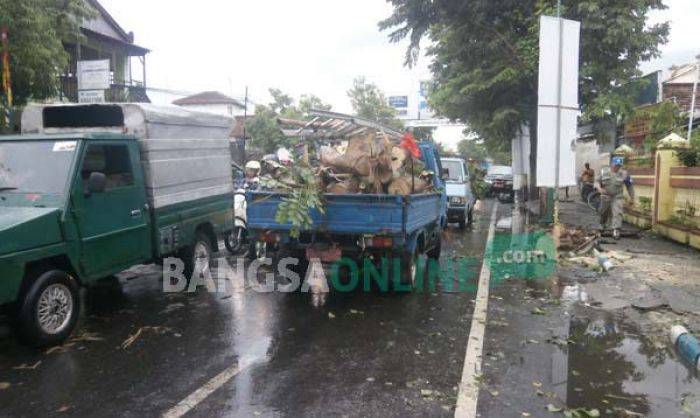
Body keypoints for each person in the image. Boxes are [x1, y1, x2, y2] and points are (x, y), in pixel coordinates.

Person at [596, 158, 634, 239]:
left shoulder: (624, 174)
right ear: (612, 164)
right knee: (603, 212)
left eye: (619, 166)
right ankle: (602, 225)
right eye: (615, 165)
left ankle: (616, 230)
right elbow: (596, 181)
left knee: (617, 212)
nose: (617, 167)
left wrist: (632, 198)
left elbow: (630, 186)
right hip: (605, 195)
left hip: (617, 196)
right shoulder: (604, 171)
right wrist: (599, 188)